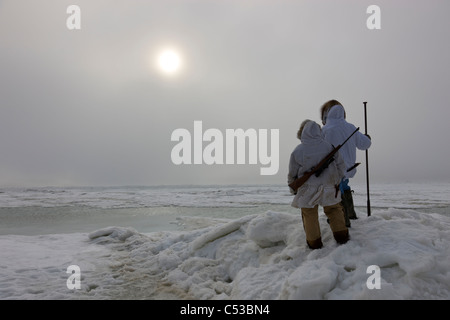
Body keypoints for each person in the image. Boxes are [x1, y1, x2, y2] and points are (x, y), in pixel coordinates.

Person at [288, 119, 349, 249]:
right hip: (329, 186)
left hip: (308, 189)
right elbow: (341, 166)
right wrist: (338, 179)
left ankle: (314, 243)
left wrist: (292, 187)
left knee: (309, 214)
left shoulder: (298, 151)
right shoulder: (328, 146)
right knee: (334, 210)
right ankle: (342, 237)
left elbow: (292, 173)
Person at [321, 100, 372, 227]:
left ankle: (342, 220)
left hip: (334, 168)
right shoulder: (351, 127)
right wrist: (367, 137)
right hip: (349, 167)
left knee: (337, 190)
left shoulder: (326, 129)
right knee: (344, 186)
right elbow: (365, 144)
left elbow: (319, 149)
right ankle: (350, 214)